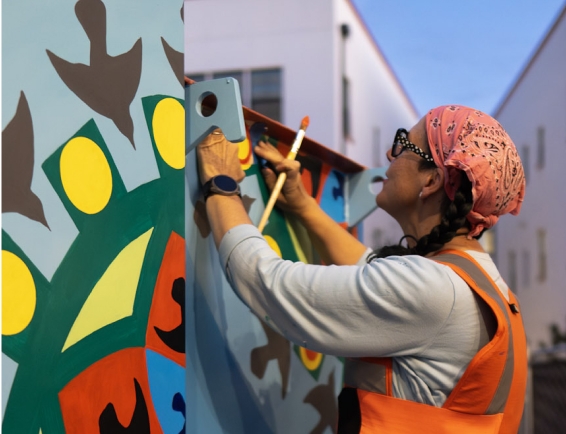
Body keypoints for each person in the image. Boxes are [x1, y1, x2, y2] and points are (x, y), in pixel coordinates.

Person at [196, 104, 527, 433]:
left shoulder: (436, 289)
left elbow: (267, 283)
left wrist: (221, 183)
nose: (388, 154)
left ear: (432, 180)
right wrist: (302, 205)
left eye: (402, 145)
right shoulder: (482, 284)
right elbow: (374, 277)